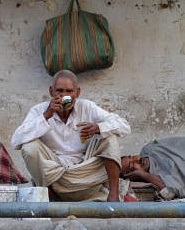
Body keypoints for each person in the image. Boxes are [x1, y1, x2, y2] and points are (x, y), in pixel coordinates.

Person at [11, 69, 131, 202]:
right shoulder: (39, 110)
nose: (64, 96)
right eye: (59, 91)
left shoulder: (87, 107)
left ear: (77, 92)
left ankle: (113, 196)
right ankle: (50, 195)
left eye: (69, 91)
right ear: (51, 92)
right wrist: (46, 116)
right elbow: (16, 141)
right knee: (29, 147)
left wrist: (98, 128)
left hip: (85, 169)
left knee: (109, 138)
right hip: (55, 173)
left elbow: (124, 126)